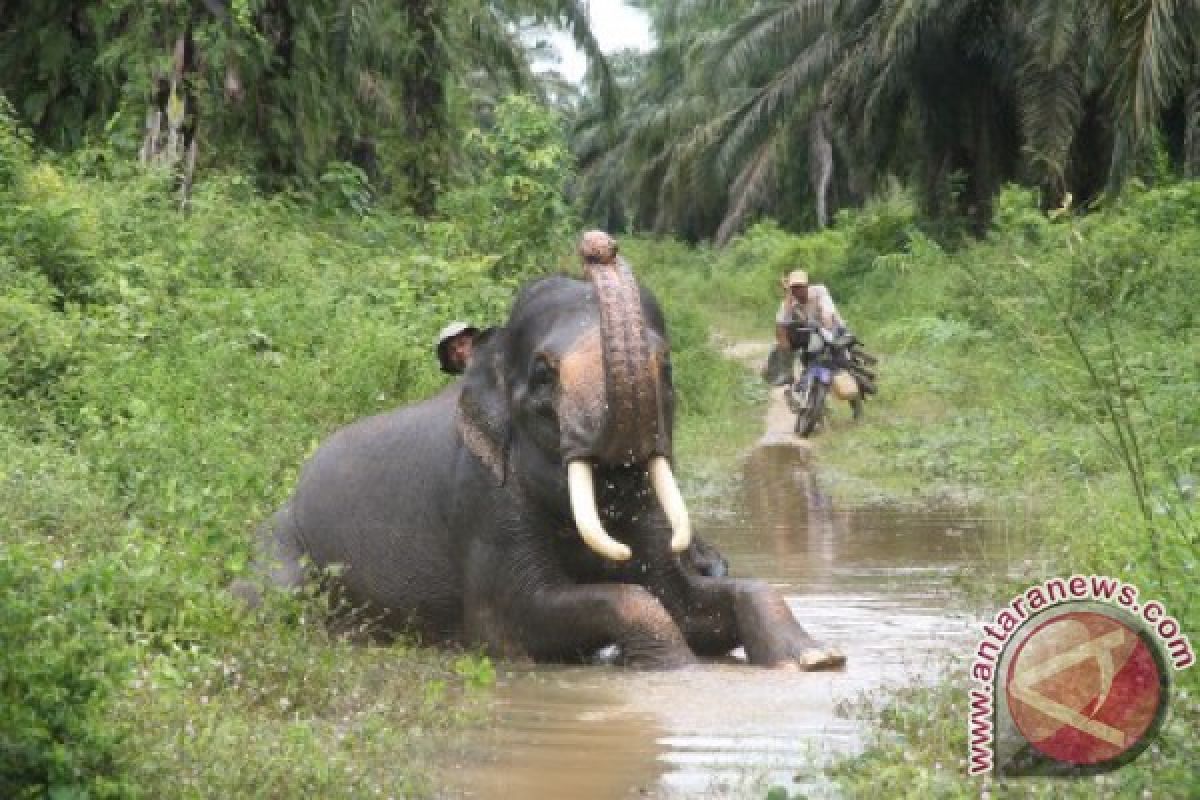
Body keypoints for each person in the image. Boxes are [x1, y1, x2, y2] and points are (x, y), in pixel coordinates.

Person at [769, 269, 846, 385]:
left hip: (833, 331)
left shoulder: (819, 291)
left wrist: (826, 324)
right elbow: (781, 323)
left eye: (800, 286)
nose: (797, 290)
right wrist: (789, 299)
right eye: (793, 287)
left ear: (807, 285)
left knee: (840, 363)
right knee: (782, 335)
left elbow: (827, 313)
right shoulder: (789, 303)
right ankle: (787, 373)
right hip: (813, 334)